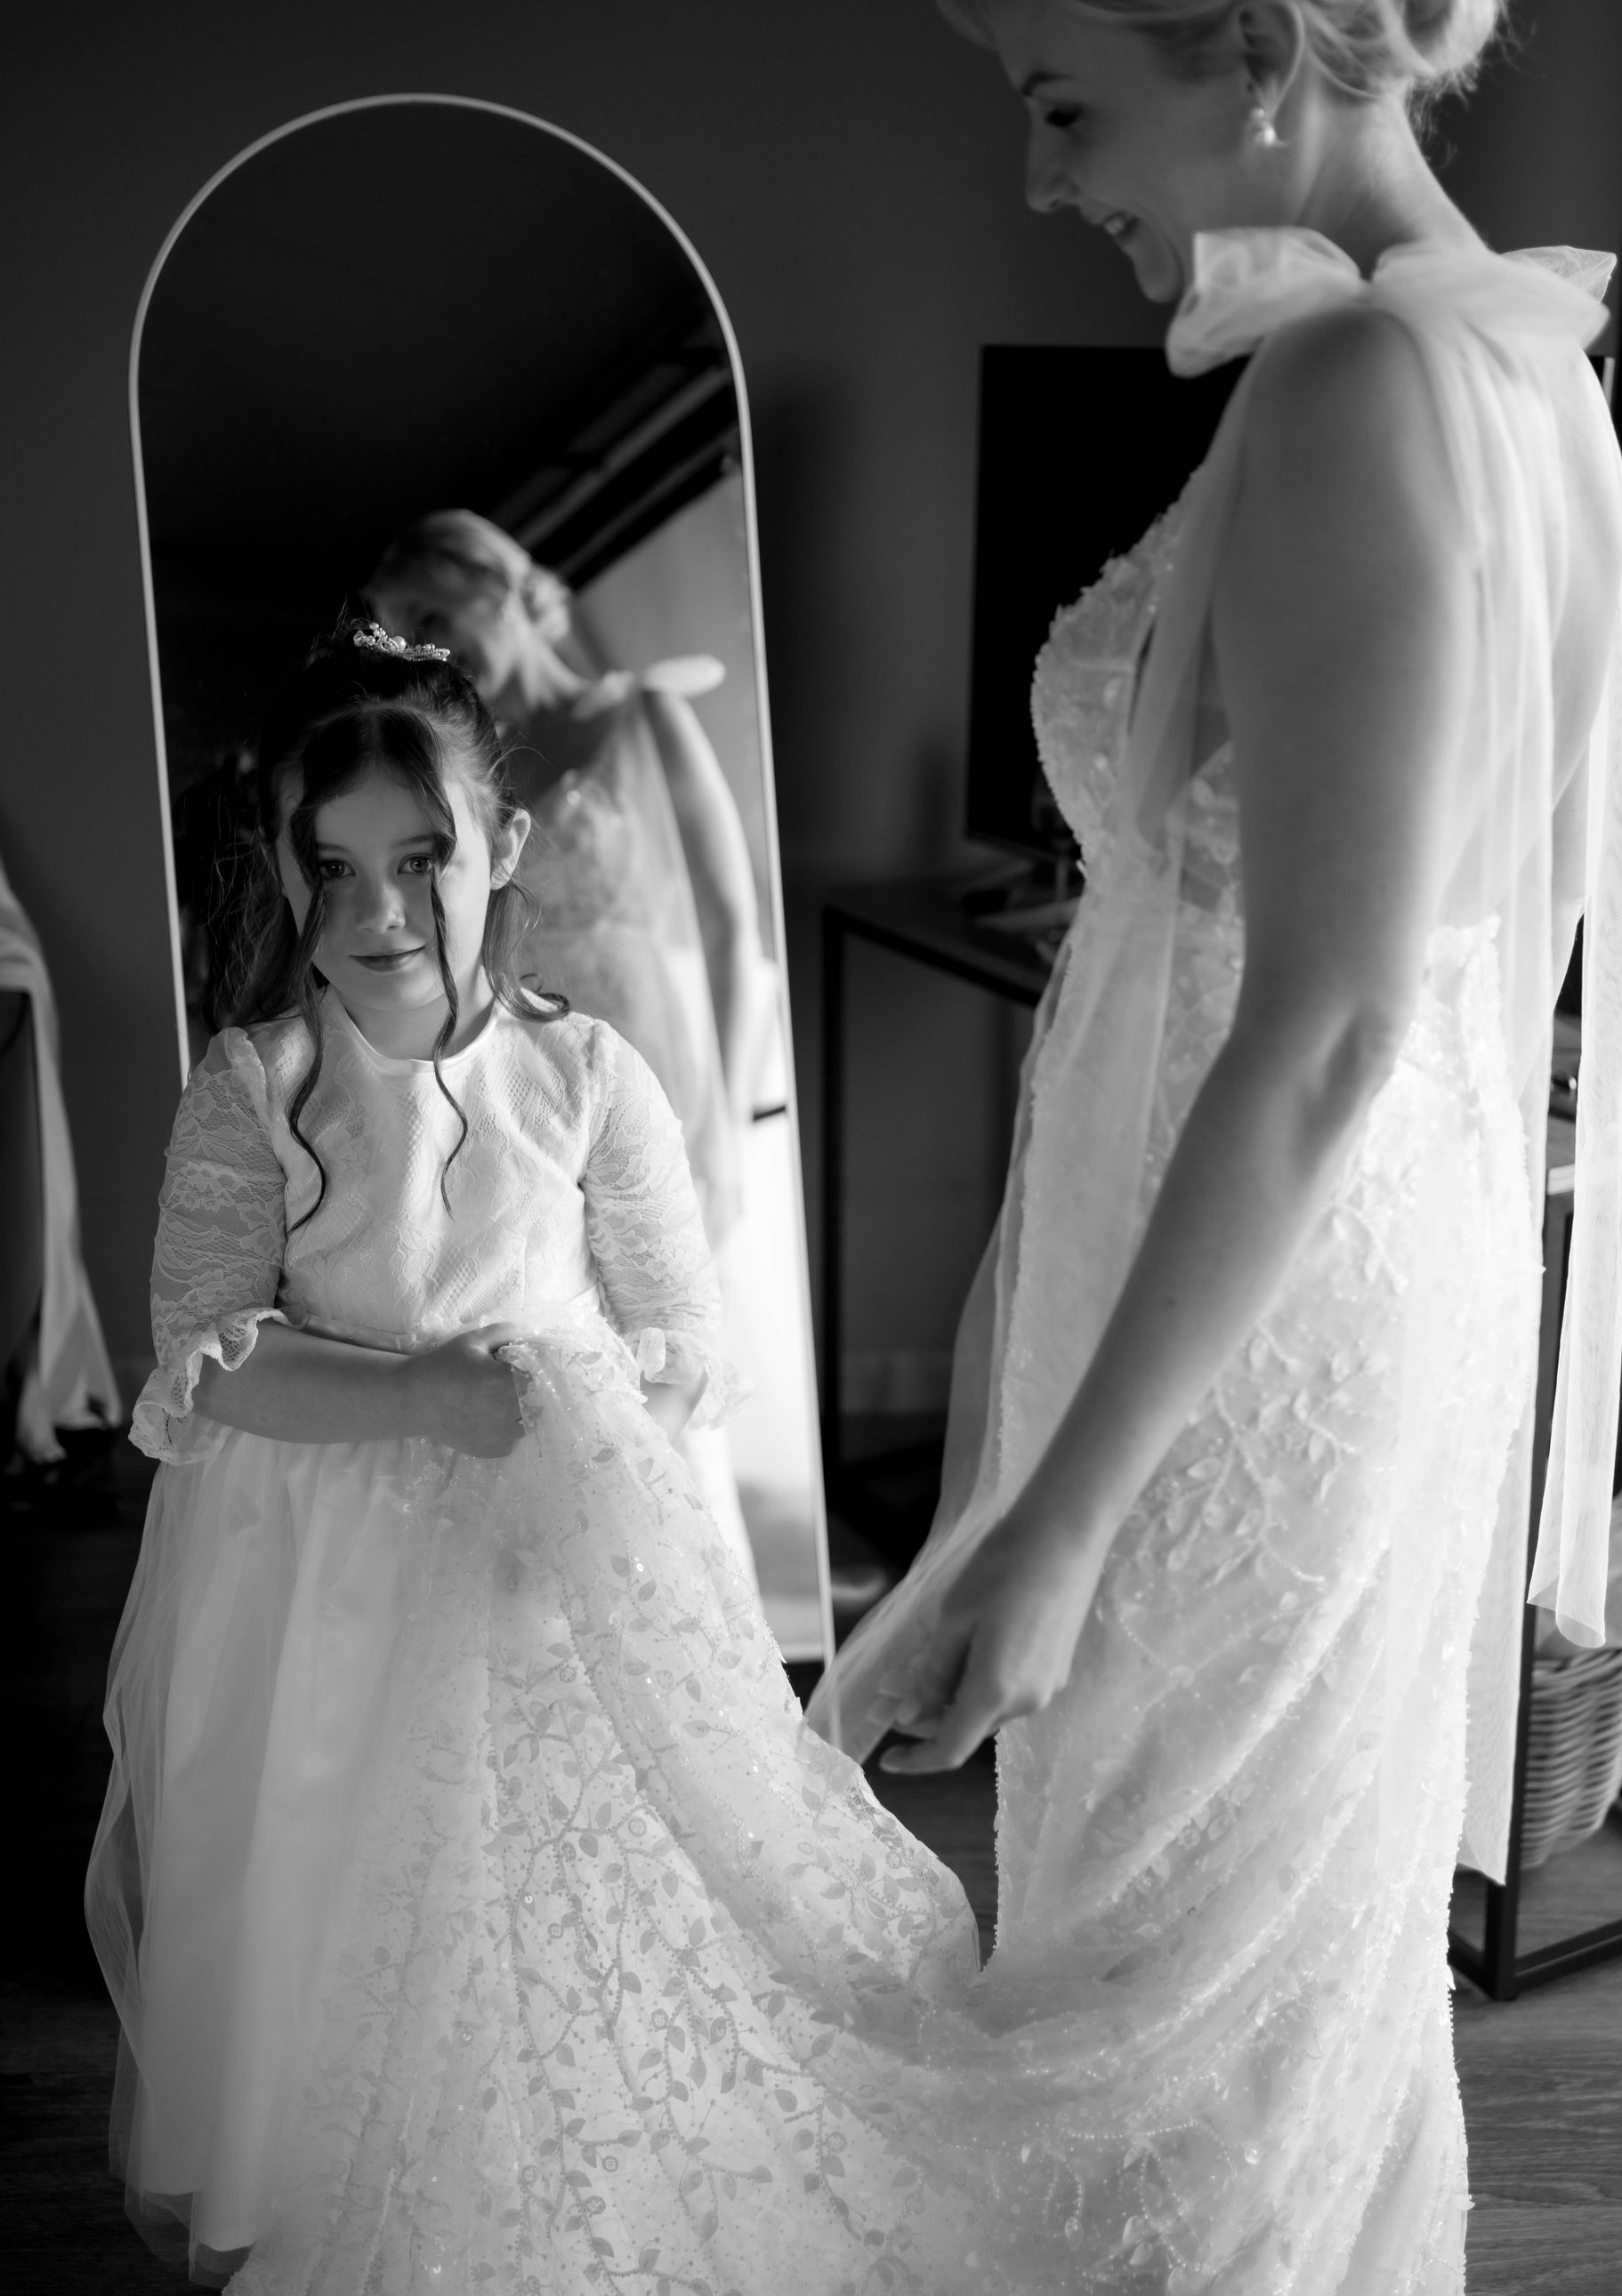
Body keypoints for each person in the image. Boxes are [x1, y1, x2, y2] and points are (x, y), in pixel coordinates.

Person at [810, 0, 1622, 2287]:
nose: (1049, 179)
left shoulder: (1372, 389)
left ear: (1260, 56)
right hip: (1308, 1259)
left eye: (1069, 102)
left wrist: (1046, 1521)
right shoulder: (1500, 360)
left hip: (1266, 1292)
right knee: (1223, 1984)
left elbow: (1328, 1024)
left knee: (1171, 1999)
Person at [85, 624, 992, 2290]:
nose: (374, 916)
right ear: (284, 870)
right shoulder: (257, 1088)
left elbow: (682, 1342)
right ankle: (323, 2176)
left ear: (505, 849)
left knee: (548, 1902)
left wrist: (574, 1421)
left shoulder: (586, 1075)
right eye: (332, 867)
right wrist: (424, 1394)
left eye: (422, 861)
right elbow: (203, 1369)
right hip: (318, 1583)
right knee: (326, 1885)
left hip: (548, 1566)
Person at [365, 511, 768, 1576]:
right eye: (404, 633)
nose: (427, 650)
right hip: (520, 1084)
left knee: (661, 1350)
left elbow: (732, 921)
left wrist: (723, 1111)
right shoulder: (459, 773)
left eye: (437, 617)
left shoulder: (644, 716)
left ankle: (675, 1594)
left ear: (500, 592)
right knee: (547, 1335)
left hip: (655, 1066)